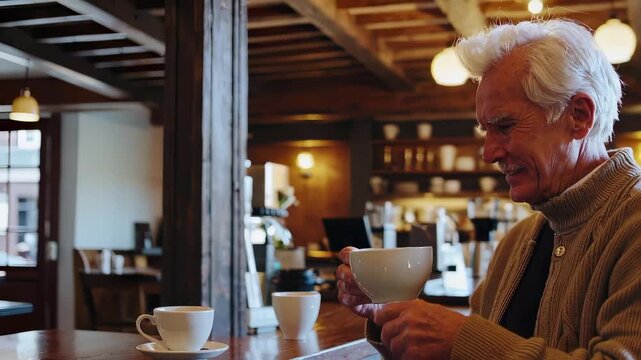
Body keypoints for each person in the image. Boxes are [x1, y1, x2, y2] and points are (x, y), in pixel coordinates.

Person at [336, 19, 641, 359]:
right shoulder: (518, 241)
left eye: (505, 126)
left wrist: (462, 340)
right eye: (486, 131)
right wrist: (390, 314)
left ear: (579, 116)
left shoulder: (634, 225)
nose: (489, 153)